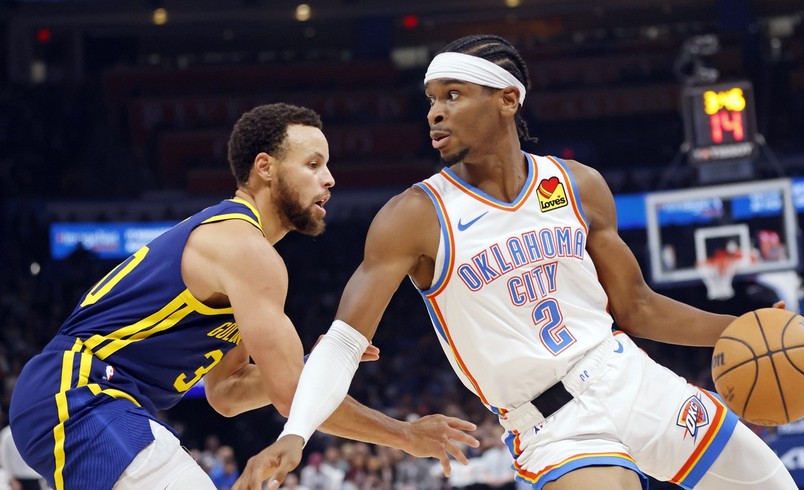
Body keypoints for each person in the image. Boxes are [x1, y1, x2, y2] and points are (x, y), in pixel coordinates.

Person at [233, 36, 804, 490]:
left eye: (452, 95)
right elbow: (341, 343)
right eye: (430, 101)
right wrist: (296, 434)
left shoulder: (577, 185)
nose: (434, 113)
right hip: (554, 422)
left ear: (507, 99)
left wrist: (747, 330)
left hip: (631, 377)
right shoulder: (414, 215)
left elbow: (637, 306)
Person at [8, 103, 477, 490]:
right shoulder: (245, 251)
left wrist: (318, 366)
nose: (330, 179)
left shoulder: (242, 259)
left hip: (79, 403)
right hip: (79, 394)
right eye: (313, 164)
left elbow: (227, 394)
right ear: (265, 168)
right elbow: (293, 396)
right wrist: (405, 435)